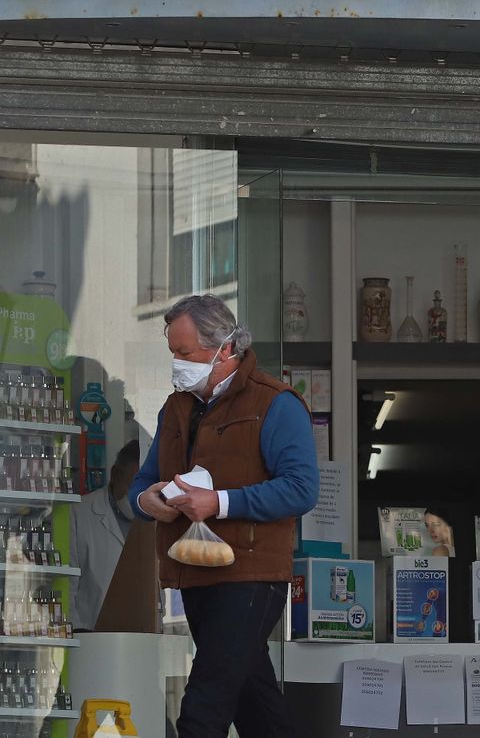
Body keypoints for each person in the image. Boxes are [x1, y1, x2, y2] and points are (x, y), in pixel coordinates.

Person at [127, 295, 318, 738]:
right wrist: (146, 502)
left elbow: (301, 488)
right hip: (194, 572)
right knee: (255, 706)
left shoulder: (276, 403)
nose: (177, 363)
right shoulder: (176, 408)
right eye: (172, 352)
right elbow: (144, 482)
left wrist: (219, 503)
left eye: (185, 352)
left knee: (204, 706)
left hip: (251, 574)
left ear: (225, 348)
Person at [68, 439, 140, 630]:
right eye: (132, 486)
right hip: (90, 632)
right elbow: (67, 584)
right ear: (115, 474)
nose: (137, 496)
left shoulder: (155, 518)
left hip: (141, 635)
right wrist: (77, 631)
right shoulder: (79, 513)